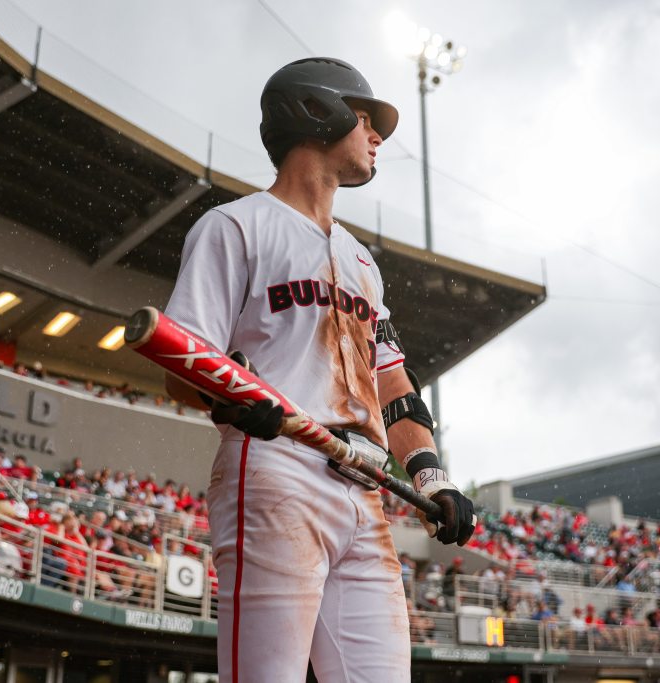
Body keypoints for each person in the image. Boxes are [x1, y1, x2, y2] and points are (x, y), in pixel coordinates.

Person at [163, 57, 475, 682]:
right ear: (316, 111)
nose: (377, 136)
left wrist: (433, 477)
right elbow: (181, 361)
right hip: (280, 469)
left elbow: (392, 382)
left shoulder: (363, 260)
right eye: (365, 120)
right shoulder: (233, 226)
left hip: (368, 486)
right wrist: (226, 399)